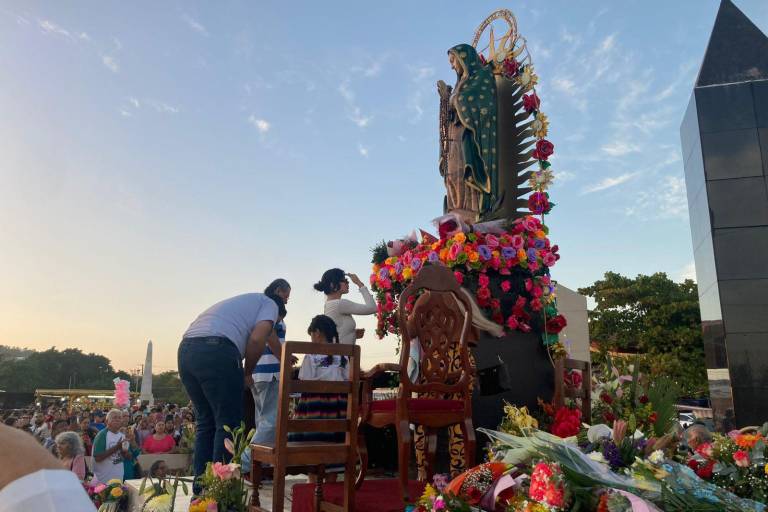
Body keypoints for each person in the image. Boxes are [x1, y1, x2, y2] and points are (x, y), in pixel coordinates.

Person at [178, 291, 281, 486]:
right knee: (228, 424)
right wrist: (248, 372)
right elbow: (258, 339)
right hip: (218, 349)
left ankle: (202, 493)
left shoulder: (244, 304)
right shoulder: (270, 305)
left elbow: (268, 339)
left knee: (206, 423)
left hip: (186, 350)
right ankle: (220, 492)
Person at [289, 315, 349, 483]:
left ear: (317, 333)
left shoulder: (311, 356)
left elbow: (304, 381)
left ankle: (312, 488)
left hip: (314, 407)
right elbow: (347, 379)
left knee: (312, 447)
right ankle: (330, 490)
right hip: (338, 409)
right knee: (333, 448)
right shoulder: (343, 356)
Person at [0, 424, 94, 511]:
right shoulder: (61, 456)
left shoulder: (78, 457)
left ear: (72, 445)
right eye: (58, 443)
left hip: (71, 497)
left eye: (62, 443)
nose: (59, 446)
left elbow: (79, 478)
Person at [315, 268, 376, 345]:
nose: (348, 283)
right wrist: (359, 283)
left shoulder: (329, 305)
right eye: (345, 281)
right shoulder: (340, 304)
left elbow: (337, 332)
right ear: (332, 284)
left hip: (339, 354)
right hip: (341, 355)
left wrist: (352, 334)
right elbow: (372, 308)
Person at [92, 409, 129, 483]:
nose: (117, 419)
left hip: (118, 477)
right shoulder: (102, 435)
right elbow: (98, 458)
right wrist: (117, 447)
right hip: (103, 480)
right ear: (106, 421)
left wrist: (124, 452)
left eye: (119, 418)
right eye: (114, 417)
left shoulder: (122, 435)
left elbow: (122, 459)